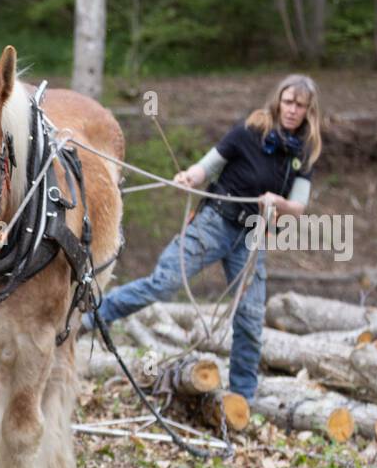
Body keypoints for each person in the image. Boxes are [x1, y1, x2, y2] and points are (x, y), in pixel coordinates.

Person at [83, 75, 323, 399]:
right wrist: (189, 177)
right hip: (215, 222)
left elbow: (298, 206)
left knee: (250, 316)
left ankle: (243, 397)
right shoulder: (247, 131)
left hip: (252, 237)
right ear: (278, 101)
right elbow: (207, 167)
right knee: (164, 282)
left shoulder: (304, 151)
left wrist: (279, 203)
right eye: (289, 102)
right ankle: (97, 315)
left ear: (309, 112)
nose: (293, 110)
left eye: (301, 106)